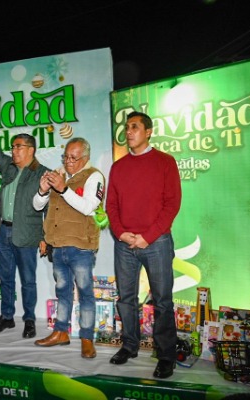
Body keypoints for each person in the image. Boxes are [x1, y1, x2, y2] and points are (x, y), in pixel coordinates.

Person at [106, 111, 182, 379]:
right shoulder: (118, 167)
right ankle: (129, 345)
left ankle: (166, 355)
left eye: (135, 127)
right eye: (127, 127)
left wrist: (147, 236)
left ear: (148, 132)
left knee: (162, 301)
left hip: (157, 242)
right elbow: (111, 206)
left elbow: (172, 204)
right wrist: (120, 233)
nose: (129, 131)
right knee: (126, 298)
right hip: (125, 243)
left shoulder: (165, 162)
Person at [0, 103, 49, 339]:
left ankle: (29, 320)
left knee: (28, 280)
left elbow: (49, 208)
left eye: (18, 147)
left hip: (26, 234)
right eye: (13, 147)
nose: (14, 150)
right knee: (5, 278)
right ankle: (7, 317)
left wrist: (45, 237)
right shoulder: (8, 167)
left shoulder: (42, 173)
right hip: (3, 232)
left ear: (31, 150)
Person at [32, 138, 105, 359]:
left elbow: (88, 207)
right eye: (66, 157)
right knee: (62, 291)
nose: (68, 162)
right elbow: (37, 205)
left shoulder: (94, 176)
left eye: (74, 158)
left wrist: (63, 188)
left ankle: (86, 339)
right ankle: (61, 332)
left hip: (81, 246)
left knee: (85, 292)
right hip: (58, 245)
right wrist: (43, 190)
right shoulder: (58, 173)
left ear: (85, 158)